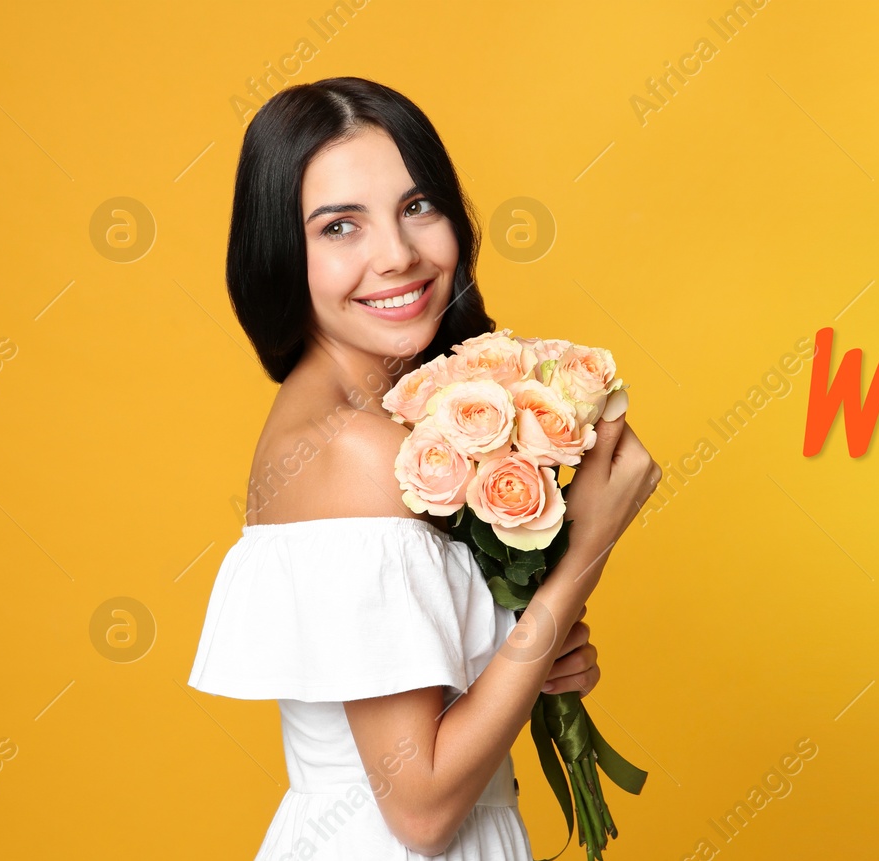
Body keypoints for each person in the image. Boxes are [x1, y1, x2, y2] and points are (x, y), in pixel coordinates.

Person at [186, 76, 660, 859]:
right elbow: (423, 807)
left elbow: (435, 715)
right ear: (280, 251)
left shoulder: (377, 420)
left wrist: (525, 645)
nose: (398, 255)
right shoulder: (352, 449)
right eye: (340, 226)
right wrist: (583, 554)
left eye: (417, 207)